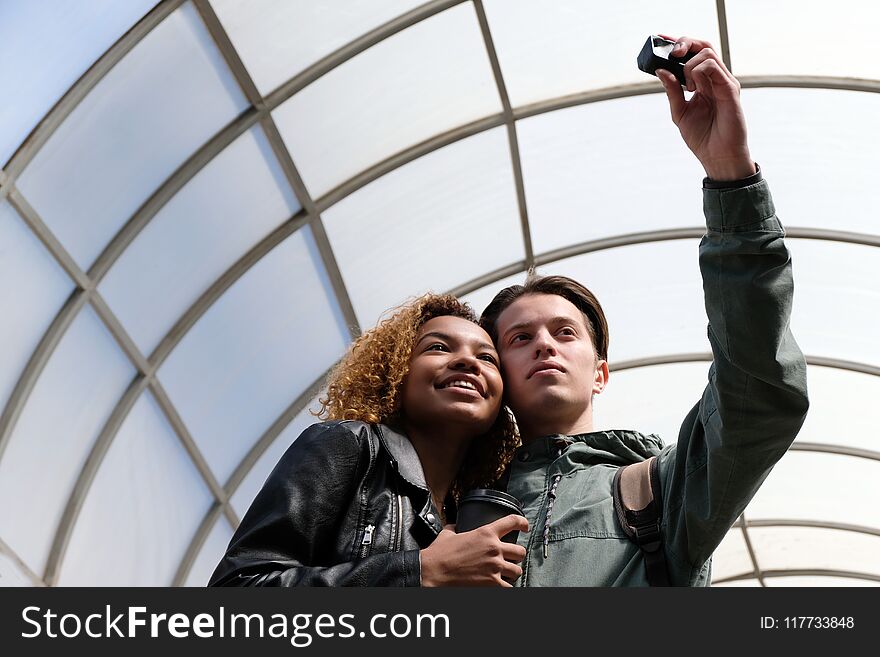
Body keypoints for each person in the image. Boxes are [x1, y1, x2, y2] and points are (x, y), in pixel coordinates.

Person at [476, 36, 810, 586]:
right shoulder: (443, 504)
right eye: (518, 338)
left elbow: (757, 396)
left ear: (600, 372)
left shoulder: (662, 490)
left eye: (565, 333)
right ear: (496, 374)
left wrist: (731, 176)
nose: (544, 344)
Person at [208, 293, 527, 586]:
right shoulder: (347, 444)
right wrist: (420, 571)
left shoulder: (471, 514)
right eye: (438, 347)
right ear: (397, 371)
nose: (468, 362)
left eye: (487, 358)